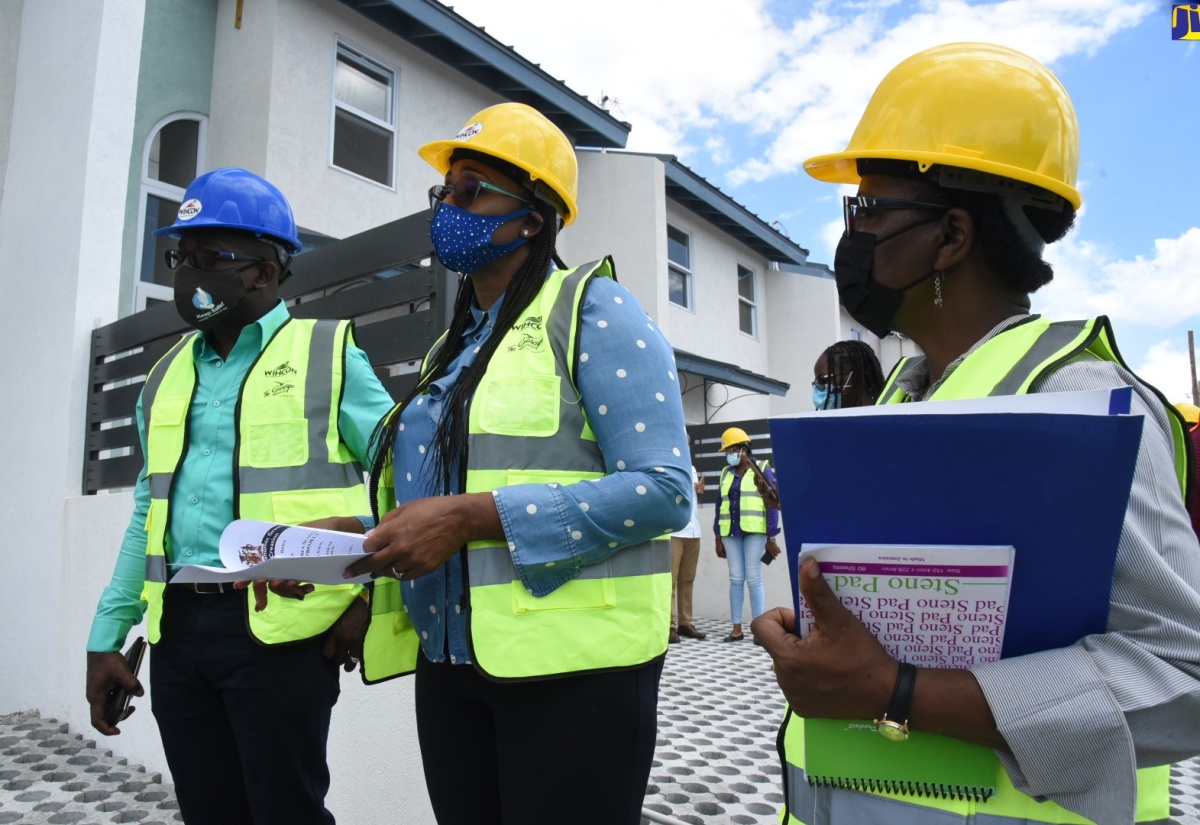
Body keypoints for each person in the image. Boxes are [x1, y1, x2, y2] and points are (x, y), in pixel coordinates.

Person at [752, 42, 1200, 825]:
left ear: (952, 235)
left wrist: (897, 691)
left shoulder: (1080, 400)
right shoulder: (903, 397)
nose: (849, 237)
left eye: (867, 210)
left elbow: (1182, 668)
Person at [322, 103, 690, 825]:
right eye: (444, 192)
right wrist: (358, 535)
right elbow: (451, 496)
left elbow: (665, 489)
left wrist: (467, 518)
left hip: (574, 675)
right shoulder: (450, 351)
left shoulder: (592, 310)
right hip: (454, 664)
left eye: (470, 190)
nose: (448, 208)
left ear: (532, 216)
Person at [84, 167, 395, 825]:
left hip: (284, 633)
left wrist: (368, 594)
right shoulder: (165, 375)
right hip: (178, 635)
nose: (188, 272)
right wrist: (107, 636)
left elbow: (409, 486)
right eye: (181, 257)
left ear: (264, 270)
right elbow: (149, 507)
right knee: (208, 811)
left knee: (287, 812)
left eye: (210, 257)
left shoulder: (327, 353)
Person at [714, 426, 780, 643]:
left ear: (744, 449)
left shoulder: (762, 468)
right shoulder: (725, 473)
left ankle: (760, 630)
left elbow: (772, 504)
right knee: (735, 578)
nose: (728, 455)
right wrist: (717, 536)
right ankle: (736, 629)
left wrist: (771, 538)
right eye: (727, 451)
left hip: (754, 531)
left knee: (753, 578)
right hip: (730, 532)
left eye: (732, 450)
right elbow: (719, 504)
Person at [670, 433, 707, 643]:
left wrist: (698, 491)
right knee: (670, 582)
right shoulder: (669, 467)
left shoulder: (691, 469)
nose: (685, 446)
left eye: (687, 443)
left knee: (687, 579)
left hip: (694, 531)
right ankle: (669, 626)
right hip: (675, 532)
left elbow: (691, 497)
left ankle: (685, 623)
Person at [812, 340, 884, 410]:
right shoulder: (833, 421)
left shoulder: (887, 419)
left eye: (823, 380)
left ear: (854, 376)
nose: (818, 389)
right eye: (817, 383)